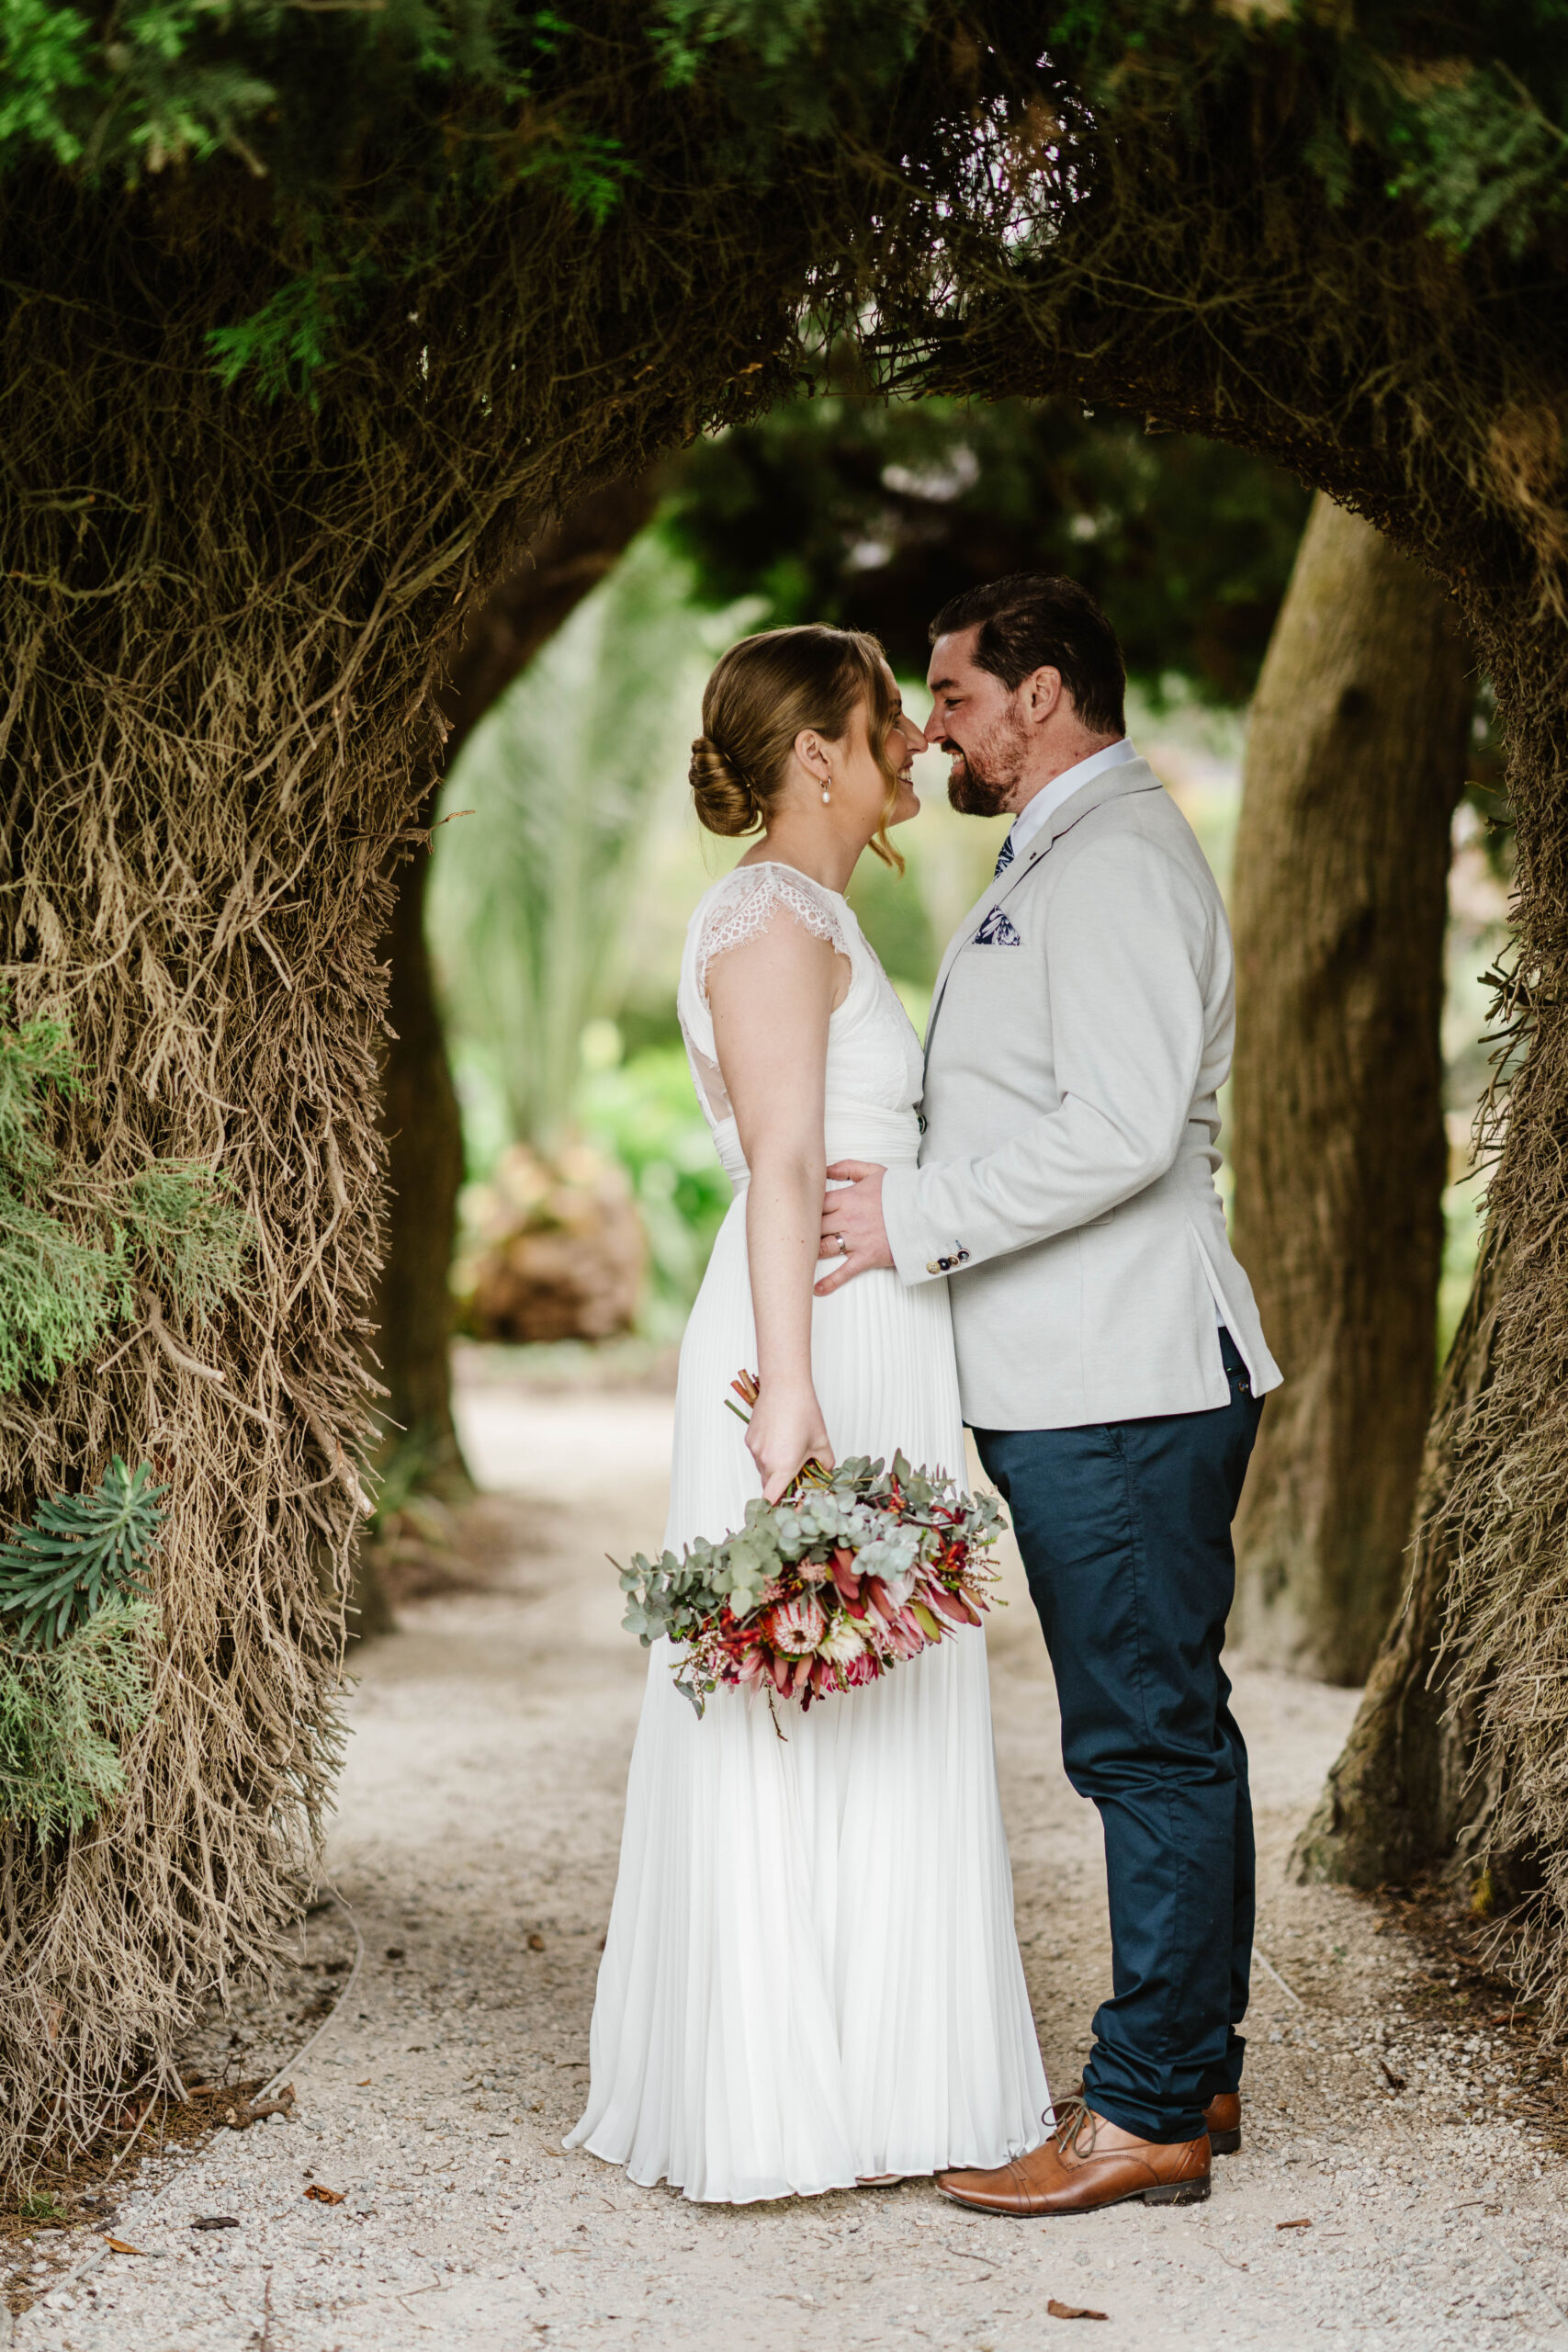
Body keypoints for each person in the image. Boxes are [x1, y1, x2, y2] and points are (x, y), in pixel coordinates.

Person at [566, 624, 1049, 2204]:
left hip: (862, 1329)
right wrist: (788, 1397)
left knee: (878, 1693)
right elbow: (781, 1161)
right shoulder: (774, 917)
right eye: (886, 713)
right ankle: (786, 2096)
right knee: (802, 1695)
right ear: (820, 755)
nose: (915, 735)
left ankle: (885, 2077)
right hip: (816, 1344)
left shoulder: (824, 909)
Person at [817, 574, 1281, 2216]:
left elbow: (1126, 1125)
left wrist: (909, 1221)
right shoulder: (1060, 853)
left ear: (1045, 691)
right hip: (1083, 1375)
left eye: (952, 695)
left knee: (1144, 1742)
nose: (933, 725)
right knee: (1164, 1731)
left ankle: (1146, 2108)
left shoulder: (1124, 860)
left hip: (1126, 1378)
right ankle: (1195, 2067)